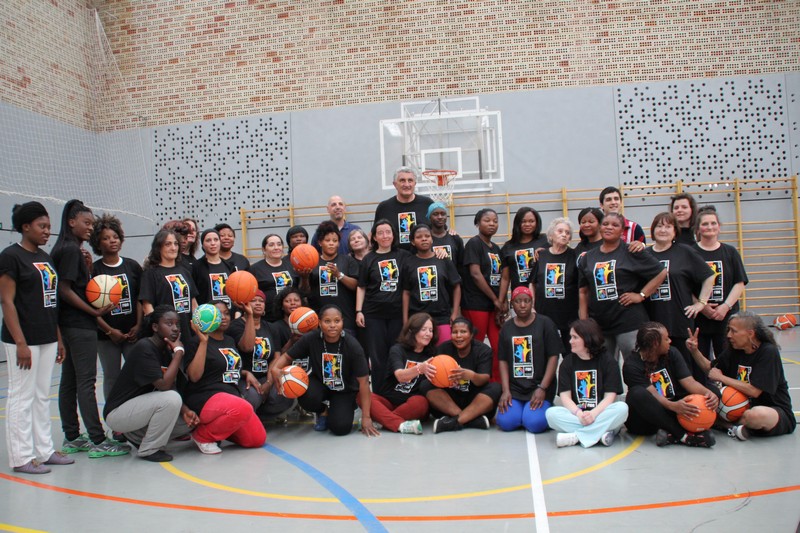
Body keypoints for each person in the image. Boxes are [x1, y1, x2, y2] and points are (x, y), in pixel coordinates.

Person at [0, 202, 74, 474]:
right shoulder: (10, 257)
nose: (46, 231)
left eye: (49, 227)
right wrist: (20, 343)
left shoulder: (45, 257)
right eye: (42, 226)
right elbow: (6, 302)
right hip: (23, 339)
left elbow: (51, 301)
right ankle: (21, 457)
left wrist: (58, 338)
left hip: (47, 335)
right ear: (25, 227)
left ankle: (44, 451)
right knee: (22, 396)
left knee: (42, 395)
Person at [52, 200, 128, 459]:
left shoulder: (65, 248)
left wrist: (86, 270)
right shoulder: (70, 249)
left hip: (69, 324)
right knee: (86, 382)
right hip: (79, 325)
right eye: (86, 223)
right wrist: (93, 311)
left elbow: (70, 285)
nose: (90, 228)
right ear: (71, 221)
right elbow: (64, 290)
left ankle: (72, 436)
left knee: (70, 381)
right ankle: (97, 440)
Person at [103, 306, 198, 462]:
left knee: (188, 423)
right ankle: (149, 449)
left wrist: (185, 410)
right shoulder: (144, 347)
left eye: (177, 324)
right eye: (169, 323)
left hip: (139, 410)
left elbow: (171, 385)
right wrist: (179, 353)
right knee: (171, 399)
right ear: (155, 327)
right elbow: (164, 386)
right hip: (118, 414)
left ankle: (137, 436)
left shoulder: (165, 349)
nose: (175, 328)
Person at [271, 305, 380, 437]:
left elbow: (364, 382)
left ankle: (348, 405)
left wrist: (366, 417)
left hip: (344, 389)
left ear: (342, 322)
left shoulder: (352, 346)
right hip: (320, 384)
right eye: (327, 321)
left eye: (337, 321)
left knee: (340, 428)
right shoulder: (311, 338)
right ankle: (323, 410)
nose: (332, 325)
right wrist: (275, 369)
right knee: (305, 396)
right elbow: (288, 356)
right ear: (319, 323)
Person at [687, 312, 795, 440]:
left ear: (750, 333)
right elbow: (710, 370)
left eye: (733, 331)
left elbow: (754, 391)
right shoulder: (734, 350)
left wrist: (722, 378)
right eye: (728, 330)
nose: (729, 335)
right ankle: (736, 427)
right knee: (698, 405)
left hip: (773, 410)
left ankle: (727, 425)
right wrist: (694, 351)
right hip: (738, 409)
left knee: (755, 415)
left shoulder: (768, 351)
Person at [577, 212, 668, 361]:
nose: (609, 227)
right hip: (600, 324)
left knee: (634, 364)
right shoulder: (588, 257)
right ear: (600, 227)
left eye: (615, 225)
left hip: (629, 322)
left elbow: (661, 272)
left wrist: (641, 295)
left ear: (622, 231)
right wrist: (584, 322)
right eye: (605, 224)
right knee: (605, 367)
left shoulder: (631, 251)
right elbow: (583, 292)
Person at [183, 302, 266, 454]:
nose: (223, 317)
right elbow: (194, 376)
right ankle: (202, 435)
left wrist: (244, 372)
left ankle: (217, 429)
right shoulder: (195, 342)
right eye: (218, 314)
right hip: (205, 396)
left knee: (257, 439)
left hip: (231, 398)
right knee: (244, 407)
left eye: (227, 313)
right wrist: (203, 342)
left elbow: (225, 367)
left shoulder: (229, 340)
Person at [623, 322, 719, 448]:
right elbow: (653, 394)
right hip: (647, 418)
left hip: (673, 411)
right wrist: (673, 406)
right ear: (655, 344)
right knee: (637, 393)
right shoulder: (631, 365)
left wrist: (709, 394)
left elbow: (689, 382)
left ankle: (671, 434)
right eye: (666, 339)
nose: (670, 341)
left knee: (713, 391)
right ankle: (684, 436)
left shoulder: (672, 353)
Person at [645, 212, 715, 382]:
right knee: (657, 370)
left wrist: (701, 303)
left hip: (679, 320)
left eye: (668, 226)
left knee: (684, 368)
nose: (663, 230)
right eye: (659, 226)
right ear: (653, 230)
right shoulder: (644, 255)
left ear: (675, 231)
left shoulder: (685, 252)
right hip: (652, 320)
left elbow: (709, 276)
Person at [544, 319, 629, 448]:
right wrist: (579, 414)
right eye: (571, 337)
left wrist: (593, 414)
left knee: (622, 408)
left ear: (587, 339)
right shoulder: (567, 363)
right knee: (551, 414)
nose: (570, 341)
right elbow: (565, 397)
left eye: (575, 337)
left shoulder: (608, 361)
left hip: (601, 414)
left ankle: (576, 437)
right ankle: (599, 434)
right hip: (578, 416)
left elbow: (610, 397)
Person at [90, 213, 143, 401]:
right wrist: (109, 331)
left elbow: (140, 299)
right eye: (106, 238)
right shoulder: (94, 270)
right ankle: (113, 415)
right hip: (106, 337)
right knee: (112, 377)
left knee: (137, 373)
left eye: (115, 237)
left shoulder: (132, 266)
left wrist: (138, 326)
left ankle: (137, 412)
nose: (112, 241)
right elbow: (91, 309)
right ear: (98, 243)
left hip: (132, 334)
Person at [356, 219, 410, 392]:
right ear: (374, 237)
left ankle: (396, 391)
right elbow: (361, 286)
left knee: (396, 353)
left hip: (397, 314)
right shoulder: (368, 259)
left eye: (388, 232)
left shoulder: (404, 255)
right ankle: (380, 393)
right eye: (380, 233)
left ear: (393, 235)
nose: (385, 236)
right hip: (373, 315)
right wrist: (359, 311)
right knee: (377, 357)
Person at [496, 287, 560, 433]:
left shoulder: (545, 324)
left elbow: (553, 356)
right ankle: (522, 412)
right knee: (505, 422)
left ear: (532, 302)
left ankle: (539, 410)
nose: (523, 305)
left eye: (527, 301)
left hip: (539, 387)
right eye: (518, 301)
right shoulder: (506, 328)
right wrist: (506, 390)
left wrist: (542, 388)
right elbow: (503, 360)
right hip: (516, 389)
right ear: (512, 304)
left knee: (534, 424)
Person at [422, 317, 502, 433]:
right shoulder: (443, 348)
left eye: (463, 332)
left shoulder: (484, 350)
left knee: (496, 387)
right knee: (425, 384)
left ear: (471, 334)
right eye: (455, 332)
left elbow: (484, 379)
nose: (458, 336)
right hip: (450, 401)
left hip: (474, 399)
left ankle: (453, 422)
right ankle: (469, 419)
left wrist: (471, 376)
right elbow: (433, 375)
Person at [227, 291, 294, 421]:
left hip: (265, 376)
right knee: (253, 397)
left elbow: (276, 357)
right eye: (253, 300)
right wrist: (250, 316)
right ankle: (248, 416)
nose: (258, 303)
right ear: (245, 304)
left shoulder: (271, 327)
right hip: (244, 377)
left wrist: (269, 383)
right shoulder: (235, 326)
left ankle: (259, 417)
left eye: (261, 301)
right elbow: (247, 347)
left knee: (284, 394)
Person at [692, 206, 748, 362]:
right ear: (698, 228)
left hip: (725, 318)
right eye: (705, 224)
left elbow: (739, 283)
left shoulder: (730, 252)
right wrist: (701, 306)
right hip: (699, 319)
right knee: (700, 364)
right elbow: (684, 286)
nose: (709, 227)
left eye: (713, 223)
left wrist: (725, 307)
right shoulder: (690, 253)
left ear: (719, 226)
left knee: (728, 361)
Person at [367, 313, 436, 434]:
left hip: (411, 405)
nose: (428, 334)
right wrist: (420, 369)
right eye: (423, 329)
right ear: (412, 331)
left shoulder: (433, 355)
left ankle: (383, 419)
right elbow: (400, 376)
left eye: (431, 330)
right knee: (364, 396)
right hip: (388, 402)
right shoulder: (397, 349)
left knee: (421, 402)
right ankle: (400, 424)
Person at [461, 208, 504, 381]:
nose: (492, 224)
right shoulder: (474, 244)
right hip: (476, 304)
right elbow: (475, 274)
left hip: (493, 305)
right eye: (487, 220)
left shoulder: (496, 248)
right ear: (478, 223)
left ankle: (495, 383)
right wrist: (495, 299)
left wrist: (502, 301)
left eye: (495, 220)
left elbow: (502, 277)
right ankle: (472, 382)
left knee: (498, 346)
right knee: (476, 345)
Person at [402, 224, 461, 342]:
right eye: (419, 237)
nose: (424, 239)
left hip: (442, 316)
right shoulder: (408, 263)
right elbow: (406, 292)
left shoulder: (443, 259)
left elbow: (456, 286)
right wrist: (405, 320)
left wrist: (455, 313)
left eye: (427, 236)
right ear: (413, 242)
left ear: (432, 239)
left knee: (444, 350)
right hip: (417, 317)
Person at [302, 221, 360, 337]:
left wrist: (339, 275)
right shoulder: (312, 262)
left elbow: (356, 286)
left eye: (335, 240)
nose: (331, 244)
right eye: (327, 240)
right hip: (318, 319)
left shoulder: (348, 260)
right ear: (320, 242)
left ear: (339, 243)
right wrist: (305, 278)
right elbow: (305, 292)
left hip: (346, 319)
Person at [531, 217, 579, 354]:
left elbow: (581, 287)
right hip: (544, 314)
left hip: (568, 316)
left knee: (570, 354)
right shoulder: (541, 255)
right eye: (560, 231)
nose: (564, 234)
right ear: (551, 235)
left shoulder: (574, 256)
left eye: (567, 233)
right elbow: (532, 283)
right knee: (545, 354)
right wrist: (532, 307)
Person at [140, 229, 199, 339]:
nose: (173, 248)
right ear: (158, 247)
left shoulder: (185, 271)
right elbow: (147, 306)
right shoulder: (150, 274)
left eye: (176, 244)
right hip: (165, 335)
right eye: (168, 244)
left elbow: (194, 303)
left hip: (188, 331)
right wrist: (160, 332)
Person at [373, 166, 434, 251]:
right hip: (395, 257)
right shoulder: (384, 208)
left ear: (415, 183)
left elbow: (438, 230)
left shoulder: (427, 204)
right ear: (395, 184)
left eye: (410, 180)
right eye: (402, 180)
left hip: (422, 256)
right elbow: (375, 235)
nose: (407, 184)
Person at [499, 207, 546, 302]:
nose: (527, 224)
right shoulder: (508, 246)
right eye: (523, 221)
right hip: (519, 299)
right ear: (517, 223)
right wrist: (501, 301)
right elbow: (505, 278)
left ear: (537, 223)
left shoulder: (545, 240)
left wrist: (546, 251)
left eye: (531, 221)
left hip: (542, 297)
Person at [248, 234, 297, 321]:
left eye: (279, 244)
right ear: (264, 249)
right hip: (267, 318)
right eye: (271, 245)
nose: (276, 247)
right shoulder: (255, 269)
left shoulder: (291, 265)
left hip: (291, 317)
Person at [192, 228, 234, 307]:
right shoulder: (196, 267)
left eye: (216, 240)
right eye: (208, 240)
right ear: (203, 245)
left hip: (228, 311)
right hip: (207, 312)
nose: (213, 243)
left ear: (220, 242)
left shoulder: (229, 266)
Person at [428, 202, 464, 270]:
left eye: (443, 214)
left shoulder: (455, 238)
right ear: (429, 217)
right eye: (435, 214)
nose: (440, 217)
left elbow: (461, 263)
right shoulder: (425, 239)